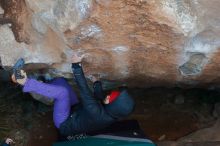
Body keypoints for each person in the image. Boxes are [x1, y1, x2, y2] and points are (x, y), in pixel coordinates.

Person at [11, 54, 135, 137]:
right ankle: (42, 84)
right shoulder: (111, 113)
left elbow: (84, 91)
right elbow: (100, 98)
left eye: (111, 98)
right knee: (61, 83)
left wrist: (76, 66)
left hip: (64, 122)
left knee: (62, 92)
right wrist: (97, 83)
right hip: (74, 111)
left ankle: (23, 81)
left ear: (114, 106)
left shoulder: (97, 113)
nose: (108, 96)